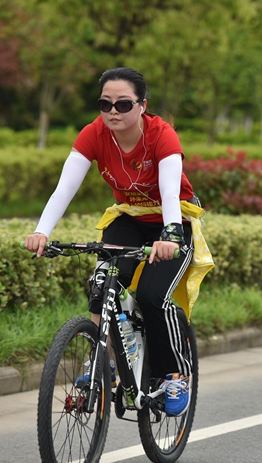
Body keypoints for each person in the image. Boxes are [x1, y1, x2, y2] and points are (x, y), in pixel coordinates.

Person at [24, 67, 212, 416]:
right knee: (101, 287)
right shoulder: (94, 134)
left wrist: (171, 234)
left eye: (124, 104)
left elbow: (170, 191)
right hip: (127, 219)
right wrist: (41, 231)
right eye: (105, 104)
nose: (113, 111)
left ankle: (174, 374)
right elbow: (64, 188)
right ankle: (104, 363)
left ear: (142, 105)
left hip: (172, 221)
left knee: (152, 297)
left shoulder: (162, 135)